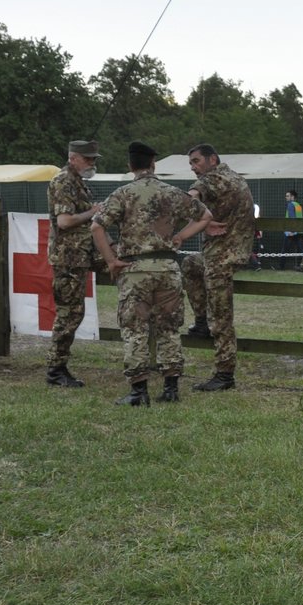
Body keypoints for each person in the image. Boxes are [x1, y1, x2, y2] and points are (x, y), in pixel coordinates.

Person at [91, 141, 212, 407]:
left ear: (130, 166)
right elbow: (205, 216)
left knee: (136, 330)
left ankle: (138, 392)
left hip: (135, 271)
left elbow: (97, 227)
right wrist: (180, 236)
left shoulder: (123, 193)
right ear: (153, 164)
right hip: (168, 269)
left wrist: (111, 260)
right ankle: (171, 388)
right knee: (169, 328)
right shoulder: (171, 192)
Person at [180, 143, 256, 392]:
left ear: (212, 159)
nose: (193, 167)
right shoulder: (232, 176)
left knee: (221, 317)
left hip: (222, 257)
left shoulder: (213, 178)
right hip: (226, 252)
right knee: (190, 264)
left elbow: (193, 195)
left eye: (196, 161)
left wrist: (193, 217)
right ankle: (201, 320)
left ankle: (225, 374)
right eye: (191, 163)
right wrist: (206, 221)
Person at [44, 139, 104, 387]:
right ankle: (56, 369)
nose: (92, 163)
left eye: (93, 159)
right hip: (68, 258)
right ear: (73, 158)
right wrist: (93, 212)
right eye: (87, 158)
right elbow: (65, 222)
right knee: (69, 314)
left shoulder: (77, 182)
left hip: (79, 256)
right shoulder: (64, 181)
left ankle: (58, 367)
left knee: (74, 313)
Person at [282, 188, 303, 268]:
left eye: (287, 196)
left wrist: (291, 230)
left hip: (291, 231)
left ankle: (281, 267)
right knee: (301, 250)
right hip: (299, 231)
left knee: (284, 250)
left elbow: (292, 218)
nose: (286, 197)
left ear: (292, 197)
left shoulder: (290, 205)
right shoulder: (298, 205)